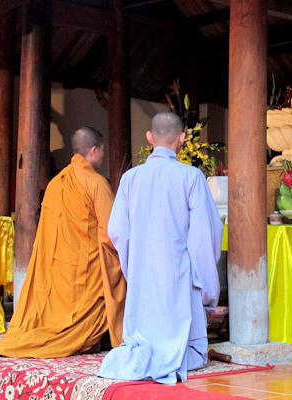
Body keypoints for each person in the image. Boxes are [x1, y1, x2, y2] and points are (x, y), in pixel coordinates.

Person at [0, 127, 126, 358]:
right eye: (103, 151)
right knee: (118, 275)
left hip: (58, 269)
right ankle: (88, 335)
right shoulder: (96, 183)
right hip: (88, 273)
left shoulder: (56, 183)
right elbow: (111, 233)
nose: (103, 156)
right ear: (94, 151)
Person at [98, 112, 222, 384]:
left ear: (149, 137)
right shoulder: (191, 176)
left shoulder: (130, 178)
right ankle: (174, 355)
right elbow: (204, 234)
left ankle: (144, 355)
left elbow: (117, 230)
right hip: (178, 273)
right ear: (182, 138)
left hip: (142, 273)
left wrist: (133, 265)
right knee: (186, 347)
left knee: (143, 333)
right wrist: (207, 285)